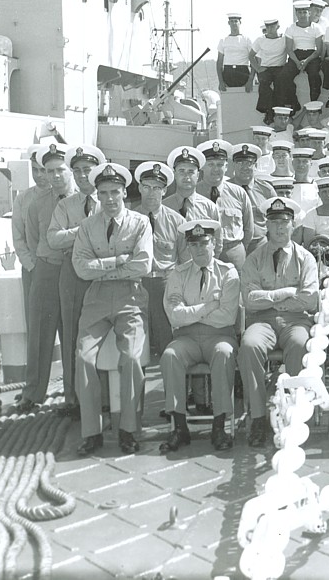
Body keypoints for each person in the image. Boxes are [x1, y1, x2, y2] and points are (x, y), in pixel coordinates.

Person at [72, 162, 153, 456]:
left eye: (115, 192)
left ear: (124, 193)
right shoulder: (87, 227)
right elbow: (80, 268)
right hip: (96, 299)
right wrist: (116, 262)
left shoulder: (139, 223)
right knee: (83, 357)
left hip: (130, 299)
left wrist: (100, 269)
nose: (109, 198)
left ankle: (128, 428)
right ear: (97, 194)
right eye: (104, 192)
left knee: (131, 357)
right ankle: (91, 431)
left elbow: (144, 264)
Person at [239, 197, 319, 447]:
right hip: (261, 322)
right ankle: (258, 417)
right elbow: (249, 300)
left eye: (285, 222)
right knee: (249, 345)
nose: (280, 228)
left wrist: (270, 300)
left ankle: (295, 414)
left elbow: (309, 299)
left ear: (293, 225)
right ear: (267, 226)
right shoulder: (254, 258)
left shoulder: (305, 258)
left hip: (295, 322)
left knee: (299, 344)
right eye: (275, 222)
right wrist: (283, 293)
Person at [160, 219, 240, 452]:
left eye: (204, 243)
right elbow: (174, 316)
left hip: (220, 336)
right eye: (193, 245)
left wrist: (190, 311)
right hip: (186, 338)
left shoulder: (228, 273)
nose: (199, 249)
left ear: (214, 243)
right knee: (170, 355)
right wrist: (207, 307)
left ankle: (219, 426)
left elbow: (227, 316)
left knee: (224, 353)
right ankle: (179, 426)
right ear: (187, 247)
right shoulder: (178, 274)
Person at [46, 144, 105, 414]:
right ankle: (73, 398)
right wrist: (82, 230)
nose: (82, 175)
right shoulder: (65, 205)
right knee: (71, 334)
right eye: (77, 170)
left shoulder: (109, 199)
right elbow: (53, 238)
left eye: (87, 170)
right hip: (71, 272)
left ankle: (104, 397)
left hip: (103, 271)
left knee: (104, 333)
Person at [19, 143, 75, 412]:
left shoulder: (85, 201)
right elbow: (32, 239)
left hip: (75, 272)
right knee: (40, 331)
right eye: (49, 170)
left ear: (70, 170)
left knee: (73, 333)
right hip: (47, 270)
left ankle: (74, 396)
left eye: (59, 170)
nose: (54, 176)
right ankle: (33, 392)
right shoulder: (37, 203)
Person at [132, 162, 187, 363]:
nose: (151, 192)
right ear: (139, 188)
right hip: (137, 286)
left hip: (166, 286)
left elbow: (184, 262)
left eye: (157, 188)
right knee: (137, 345)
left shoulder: (177, 221)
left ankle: (170, 390)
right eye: (146, 186)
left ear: (165, 191)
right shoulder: (130, 219)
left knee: (168, 344)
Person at [196, 140, 254, 271]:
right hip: (202, 252)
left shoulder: (238, 192)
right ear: (202, 167)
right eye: (211, 164)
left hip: (233, 252)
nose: (216, 169)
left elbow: (249, 229)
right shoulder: (194, 193)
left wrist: (237, 249)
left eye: (220, 164)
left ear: (227, 167)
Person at [12, 144, 51, 330]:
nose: (39, 176)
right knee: (35, 322)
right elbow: (18, 237)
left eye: (43, 170)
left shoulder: (64, 197)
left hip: (57, 266)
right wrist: (32, 266)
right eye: (35, 170)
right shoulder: (23, 199)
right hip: (32, 268)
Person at [164, 147, 221, 254]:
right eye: (181, 171)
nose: (186, 176)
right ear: (175, 174)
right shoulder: (164, 207)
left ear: (198, 175)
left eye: (191, 172)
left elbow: (217, 244)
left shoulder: (209, 207)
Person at [283, 0, 325, 110]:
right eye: (299, 13)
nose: (302, 15)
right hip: (296, 55)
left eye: (304, 12)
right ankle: (293, 102)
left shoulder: (316, 28)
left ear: (309, 13)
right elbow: (289, 49)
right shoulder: (290, 28)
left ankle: (314, 103)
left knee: (314, 75)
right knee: (285, 75)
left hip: (312, 55)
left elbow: (318, 50)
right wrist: (297, 62)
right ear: (296, 14)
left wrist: (306, 61)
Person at [250, 18, 288, 121]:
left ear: (278, 27)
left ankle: (278, 111)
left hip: (280, 67)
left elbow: (291, 51)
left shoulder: (284, 39)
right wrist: (258, 68)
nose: (270, 29)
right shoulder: (260, 40)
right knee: (264, 84)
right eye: (268, 27)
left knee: (280, 85)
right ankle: (268, 112)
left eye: (272, 26)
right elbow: (251, 56)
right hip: (265, 68)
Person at [217, 13, 253, 92]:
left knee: (244, 99)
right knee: (229, 100)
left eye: (236, 21)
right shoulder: (223, 40)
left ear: (240, 22)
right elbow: (219, 62)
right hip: (228, 73)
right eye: (232, 21)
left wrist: (250, 81)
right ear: (228, 23)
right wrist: (221, 81)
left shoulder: (246, 40)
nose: (234, 24)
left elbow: (253, 60)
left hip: (243, 72)